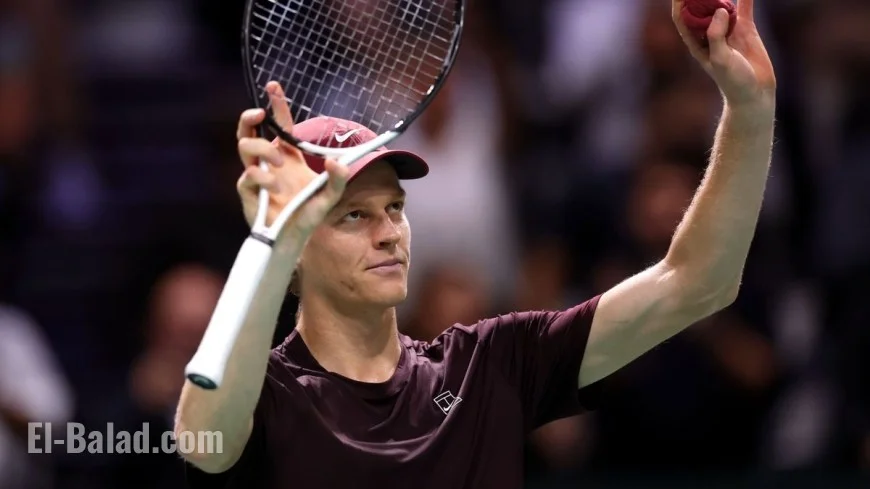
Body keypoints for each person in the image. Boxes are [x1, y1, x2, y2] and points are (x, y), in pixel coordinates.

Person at [175, 1, 777, 487]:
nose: (388, 231)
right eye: (354, 215)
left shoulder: (488, 368)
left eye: (394, 209)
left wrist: (749, 109)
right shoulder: (269, 396)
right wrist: (271, 241)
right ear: (299, 247)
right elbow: (202, 441)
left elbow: (697, 282)